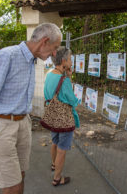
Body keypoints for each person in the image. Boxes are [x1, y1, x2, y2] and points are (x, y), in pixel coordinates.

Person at [0, 23, 62, 194]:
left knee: (20, 176)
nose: (54, 53)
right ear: (44, 41)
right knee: (12, 185)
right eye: (55, 48)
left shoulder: (32, 59)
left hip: (23, 123)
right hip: (1, 126)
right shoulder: (6, 56)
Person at [44, 46, 80, 186]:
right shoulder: (64, 80)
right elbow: (72, 100)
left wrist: (67, 76)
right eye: (70, 59)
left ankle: (54, 165)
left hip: (53, 115)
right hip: (64, 119)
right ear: (64, 61)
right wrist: (69, 80)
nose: (71, 62)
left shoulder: (50, 74)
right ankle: (57, 178)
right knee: (62, 149)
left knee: (55, 141)